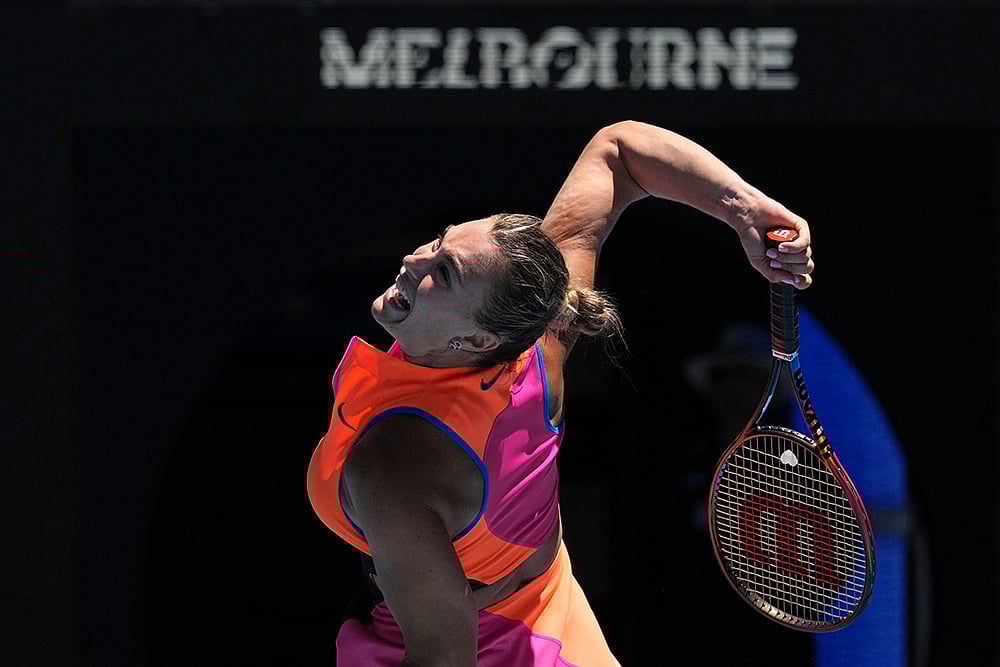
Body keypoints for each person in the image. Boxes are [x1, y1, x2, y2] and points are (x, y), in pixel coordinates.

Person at [306, 120, 814, 667]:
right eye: (439, 240)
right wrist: (747, 209)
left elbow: (444, 657)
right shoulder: (540, 341)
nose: (415, 260)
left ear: (476, 338)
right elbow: (618, 152)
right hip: (558, 629)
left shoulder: (393, 463)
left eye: (445, 271)